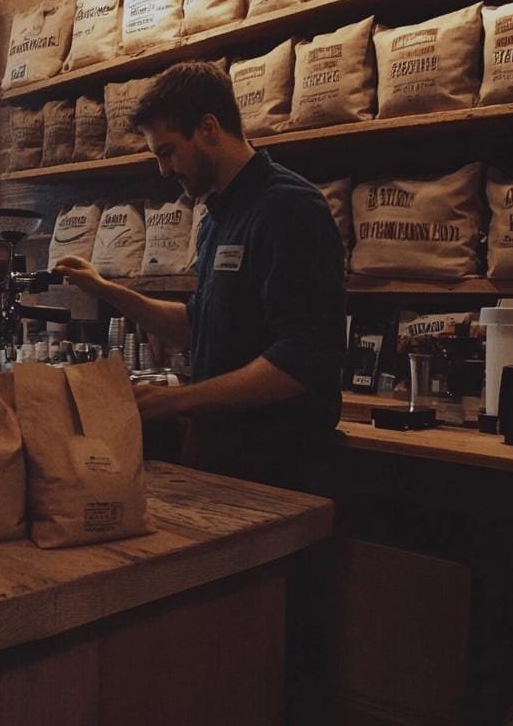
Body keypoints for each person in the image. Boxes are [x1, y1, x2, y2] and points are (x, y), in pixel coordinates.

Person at [54, 61, 346, 487]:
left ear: (209, 128)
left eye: (168, 151)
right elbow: (198, 326)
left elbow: (304, 360)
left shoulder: (290, 208)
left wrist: (179, 400)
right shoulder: (216, 217)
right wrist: (105, 289)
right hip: (223, 460)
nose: (164, 171)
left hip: (280, 469)